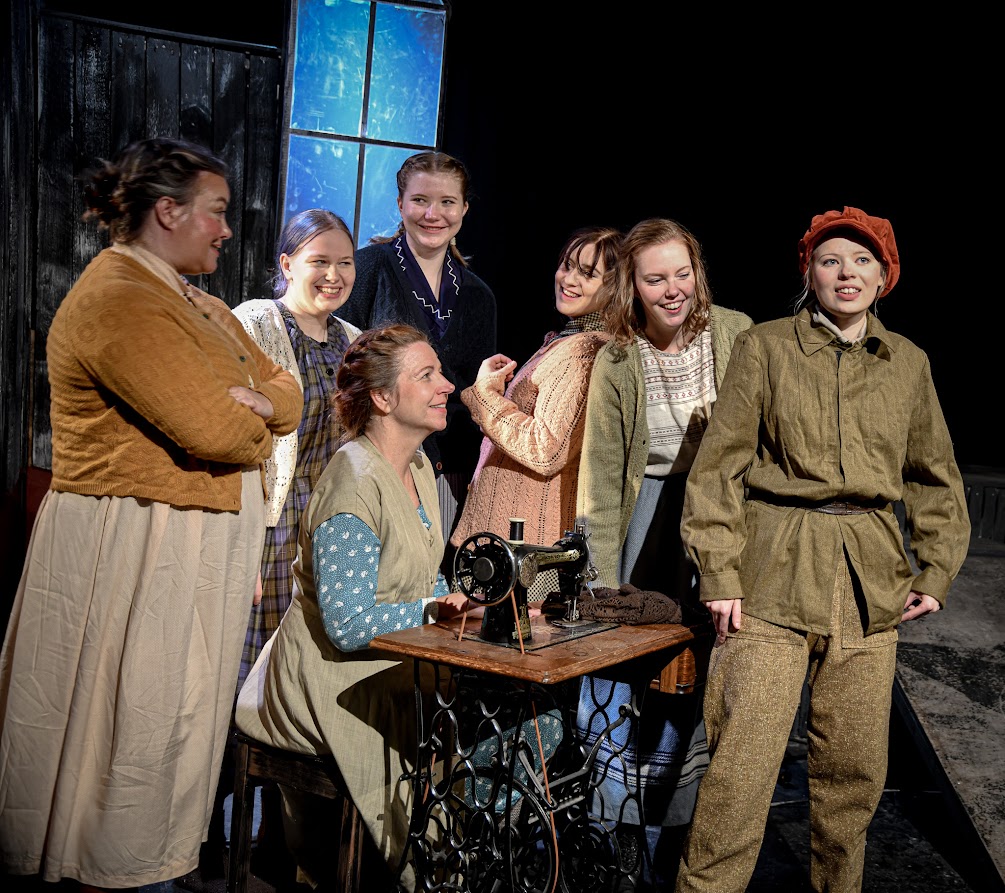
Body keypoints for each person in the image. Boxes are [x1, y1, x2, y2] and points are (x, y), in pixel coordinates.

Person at [0, 137, 303, 890]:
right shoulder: (120, 297)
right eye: (216, 211)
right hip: (137, 540)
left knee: (171, 723)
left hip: (187, 544)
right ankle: (114, 871)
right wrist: (255, 418)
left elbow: (289, 391)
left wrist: (261, 403)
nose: (226, 229)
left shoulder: (197, 302)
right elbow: (213, 430)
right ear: (167, 211)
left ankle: (143, 868)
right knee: (124, 724)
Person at [674, 207, 971, 893]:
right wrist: (719, 574)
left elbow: (934, 474)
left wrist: (935, 569)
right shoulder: (766, 346)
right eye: (831, 260)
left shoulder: (907, 363)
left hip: (870, 583)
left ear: (884, 277)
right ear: (808, 271)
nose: (847, 273)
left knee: (854, 775)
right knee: (741, 770)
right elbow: (717, 469)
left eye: (863, 261)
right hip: (769, 575)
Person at [235, 324, 472, 891]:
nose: (447, 385)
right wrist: (433, 610)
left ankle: (460, 859)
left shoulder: (418, 469)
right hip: (328, 678)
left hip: (388, 665)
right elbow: (346, 624)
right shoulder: (353, 482)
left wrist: (460, 602)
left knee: (489, 721)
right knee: (457, 732)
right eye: (427, 375)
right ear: (384, 398)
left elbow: (418, 572)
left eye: (440, 373)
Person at [574, 218, 753, 889]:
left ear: (697, 272)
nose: (673, 289)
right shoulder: (618, 359)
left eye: (682, 273)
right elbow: (601, 474)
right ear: (633, 285)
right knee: (619, 684)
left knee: (692, 686)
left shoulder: (735, 333)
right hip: (642, 525)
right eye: (656, 278)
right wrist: (600, 580)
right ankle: (612, 840)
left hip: (717, 525)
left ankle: (669, 835)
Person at [224, 209, 361, 881]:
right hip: (267, 533)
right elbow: (234, 434)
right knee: (240, 685)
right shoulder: (254, 322)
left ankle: (279, 846)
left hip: (324, 540)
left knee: (298, 689)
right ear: (286, 264)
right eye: (319, 261)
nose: (333, 275)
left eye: (344, 263)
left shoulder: (355, 340)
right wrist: (241, 545)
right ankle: (206, 839)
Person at [449, 225, 624, 587]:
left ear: (616, 287)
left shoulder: (585, 350)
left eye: (587, 273)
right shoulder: (569, 341)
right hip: (508, 539)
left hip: (524, 547)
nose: (569, 279)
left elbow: (548, 450)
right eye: (566, 265)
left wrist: (485, 395)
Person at [338, 151, 496, 546]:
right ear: (400, 204)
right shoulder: (367, 269)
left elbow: (479, 393)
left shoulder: (479, 296)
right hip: (378, 461)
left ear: (464, 209)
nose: (432, 214)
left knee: (438, 577)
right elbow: (340, 371)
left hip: (452, 471)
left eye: (447, 202)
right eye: (420, 200)